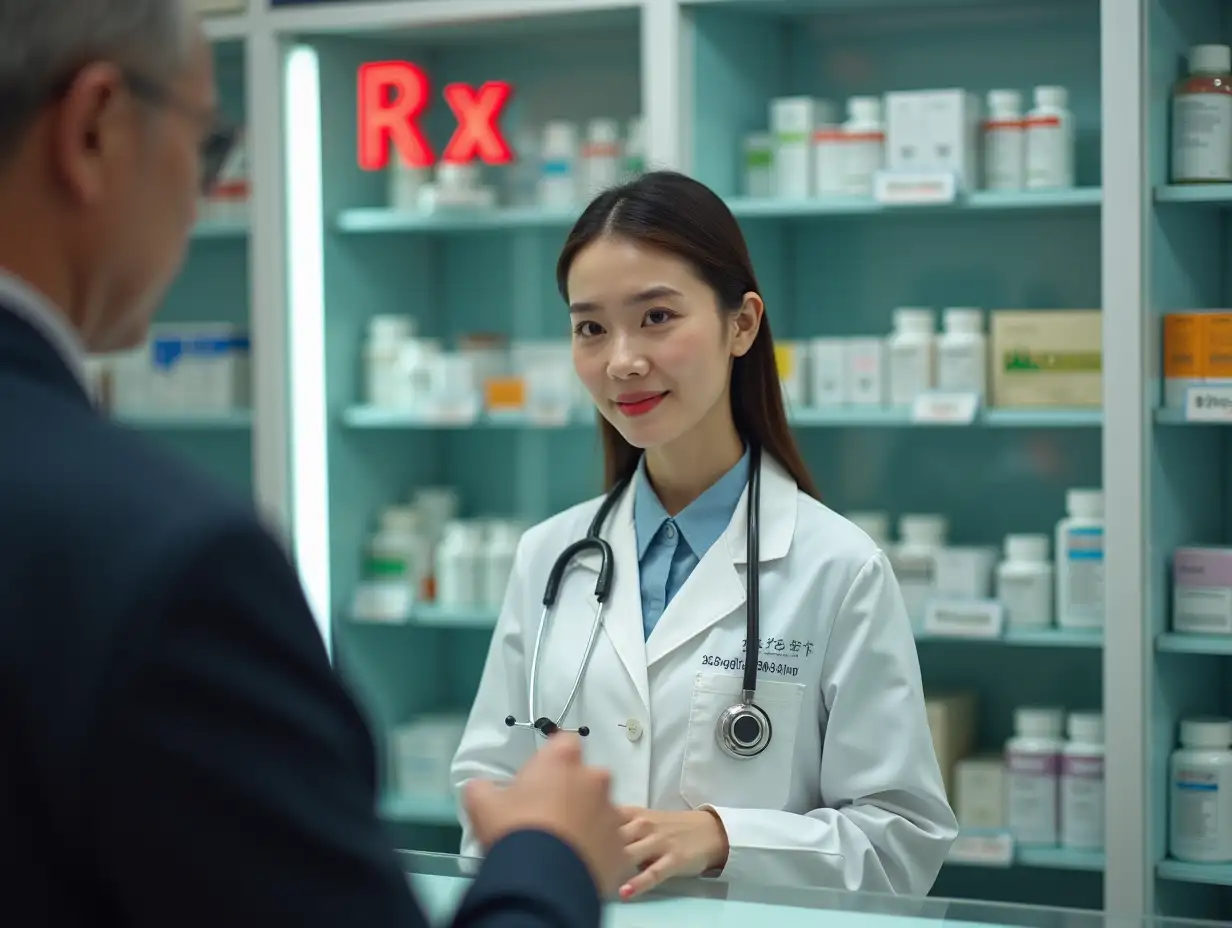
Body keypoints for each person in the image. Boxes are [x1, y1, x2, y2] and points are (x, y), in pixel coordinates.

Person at [0, 2, 629, 925]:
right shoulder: (169, 562)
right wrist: (550, 860)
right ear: (94, 129)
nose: (204, 192)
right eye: (209, 146)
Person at [451, 170, 960, 900]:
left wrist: (726, 837)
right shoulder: (548, 558)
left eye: (656, 317)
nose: (622, 359)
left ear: (742, 324)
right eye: (591, 327)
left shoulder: (838, 567)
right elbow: (489, 786)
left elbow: (901, 837)